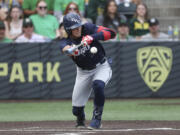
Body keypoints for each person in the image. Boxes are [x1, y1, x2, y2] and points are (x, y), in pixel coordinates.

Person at [59, 12, 116, 129]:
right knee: (76, 109)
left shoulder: (88, 28)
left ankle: (97, 119)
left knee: (98, 85)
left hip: (101, 66)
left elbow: (111, 33)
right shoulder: (65, 41)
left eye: (79, 26)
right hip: (83, 72)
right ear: (68, 30)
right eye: (74, 28)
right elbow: (65, 49)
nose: (78, 29)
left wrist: (93, 37)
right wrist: (71, 50)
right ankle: (80, 119)